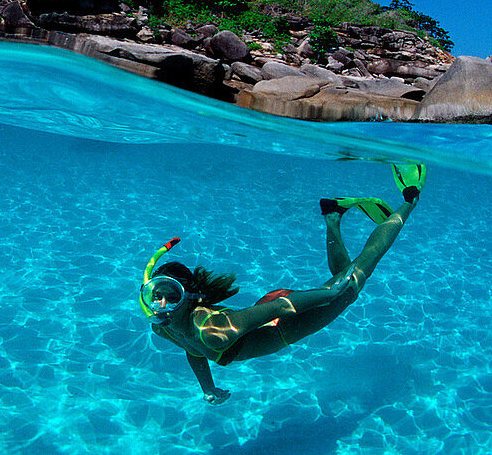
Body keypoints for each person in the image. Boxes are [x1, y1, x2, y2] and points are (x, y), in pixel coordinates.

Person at [139, 164, 426, 405]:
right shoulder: (164, 327)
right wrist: (208, 389)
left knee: (352, 282)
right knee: (343, 277)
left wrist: (329, 294)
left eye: (171, 296)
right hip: (264, 315)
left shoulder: (215, 331)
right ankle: (333, 215)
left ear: (188, 297)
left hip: (283, 323)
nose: (161, 305)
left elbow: (281, 306)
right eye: (156, 295)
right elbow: (193, 352)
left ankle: (410, 199)